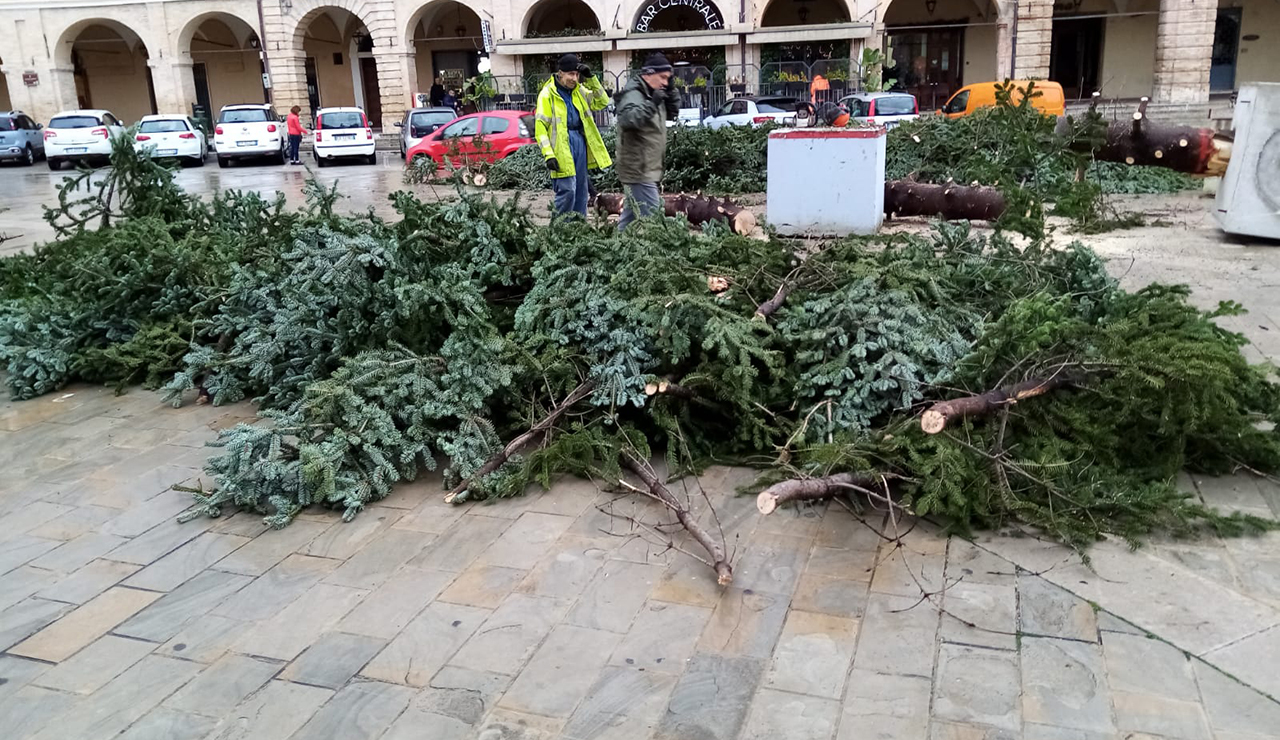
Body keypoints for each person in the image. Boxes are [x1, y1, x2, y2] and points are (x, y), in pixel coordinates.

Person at [534, 53, 612, 218]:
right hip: (560, 146)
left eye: (576, 74)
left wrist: (591, 78)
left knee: (581, 191)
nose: (574, 78)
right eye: (571, 74)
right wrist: (548, 154)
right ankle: (560, 227)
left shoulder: (579, 91)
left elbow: (602, 102)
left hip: (579, 142)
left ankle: (578, 228)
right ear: (560, 73)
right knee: (568, 189)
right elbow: (540, 127)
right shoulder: (547, 94)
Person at [614, 52, 677, 231]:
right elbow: (628, 119)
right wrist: (652, 103)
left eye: (668, 78)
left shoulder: (653, 93)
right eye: (662, 77)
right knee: (654, 220)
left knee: (630, 218)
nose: (665, 82)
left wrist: (671, 91)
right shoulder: (633, 94)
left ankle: (615, 249)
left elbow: (673, 112)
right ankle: (657, 256)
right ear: (648, 74)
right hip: (638, 168)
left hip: (647, 166)